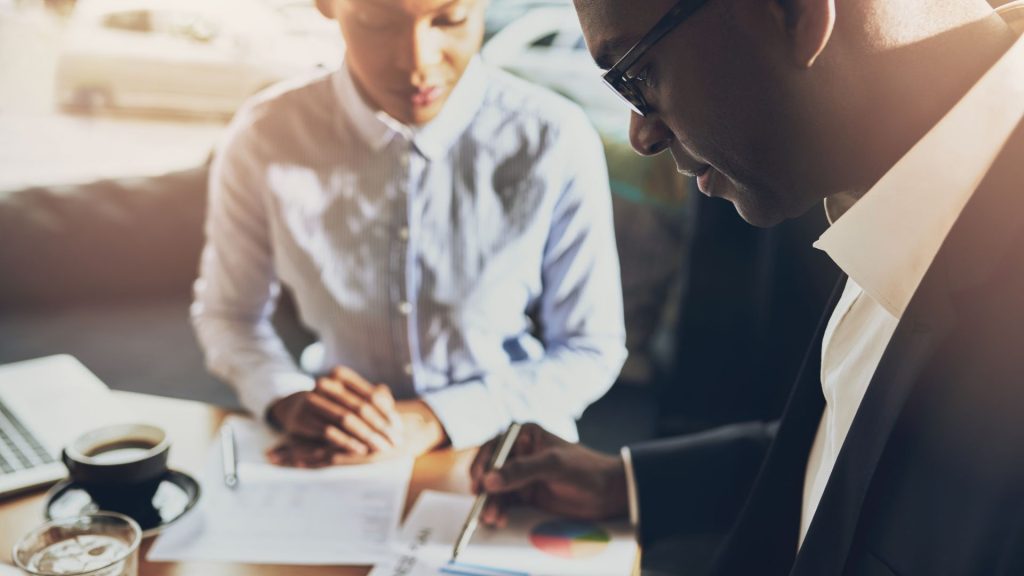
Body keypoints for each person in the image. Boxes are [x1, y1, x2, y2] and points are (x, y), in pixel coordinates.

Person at [472, 0, 1024, 573]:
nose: (641, 134)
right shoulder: (884, 179)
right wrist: (627, 483)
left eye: (636, 76)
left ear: (793, 13)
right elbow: (862, 450)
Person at [191, 0, 626, 465]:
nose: (418, 63)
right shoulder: (264, 136)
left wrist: (430, 418)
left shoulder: (553, 137)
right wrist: (284, 395)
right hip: (339, 443)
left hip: (509, 445)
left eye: (450, 20)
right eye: (378, 23)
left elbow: (589, 348)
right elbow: (229, 316)